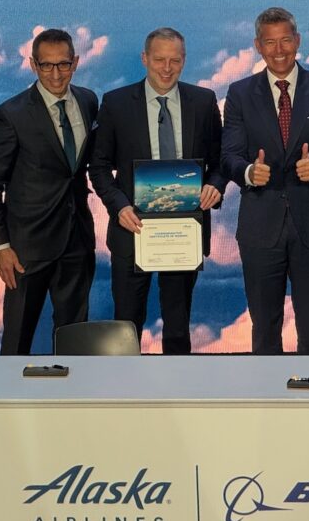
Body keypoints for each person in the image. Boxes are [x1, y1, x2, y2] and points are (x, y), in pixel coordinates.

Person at [90, 28, 226, 354]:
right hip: (131, 231)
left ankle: (175, 398)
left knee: (178, 329)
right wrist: (119, 206)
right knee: (126, 328)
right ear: (144, 59)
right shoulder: (117, 103)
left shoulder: (204, 101)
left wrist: (215, 186)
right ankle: (125, 398)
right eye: (159, 60)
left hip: (183, 232)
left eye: (175, 61)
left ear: (184, 61)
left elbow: (221, 161)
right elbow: (98, 167)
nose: (167, 68)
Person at [221, 7, 309, 354]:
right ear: (258, 46)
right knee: (264, 328)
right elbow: (229, 155)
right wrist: (249, 172)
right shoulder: (239, 94)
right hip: (261, 229)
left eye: (286, 41)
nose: (279, 50)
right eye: (270, 42)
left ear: (298, 41)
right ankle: (267, 402)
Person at [0, 28, 98, 355]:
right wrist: (1, 245)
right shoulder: (10, 114)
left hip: (77, 241)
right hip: (26, 248)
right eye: (47, 66)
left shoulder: (88, 101)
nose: (56, 74)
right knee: (18, 337)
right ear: (33, 65)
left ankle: (72, 402)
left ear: (75, 62)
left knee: (75, 338)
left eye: (63, 65)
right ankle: (8, 403)